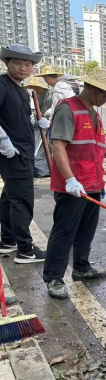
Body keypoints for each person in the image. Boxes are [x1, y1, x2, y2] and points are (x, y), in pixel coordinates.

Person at [42, 68, 106, 299]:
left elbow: (93, 151)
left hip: (92, 185)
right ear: (91, 88)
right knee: (64, 232)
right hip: (73, 186)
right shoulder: (68, 109)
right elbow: (57, 146)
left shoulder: (94, 113)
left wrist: (99, 183)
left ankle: (81, 268)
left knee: (86, 231)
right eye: (105, 94)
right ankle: (54, 278)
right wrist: (70, 180)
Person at [0, 44, 49, 263]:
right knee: (21, 200)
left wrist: (36, 123)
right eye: (17, 63)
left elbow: (13, 119)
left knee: (10, 198)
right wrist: (4, 142)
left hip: (22, 151)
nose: (23, 68)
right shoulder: (2, 85)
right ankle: (25, 250)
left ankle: (8, 240)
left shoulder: (18, 87)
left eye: (27, 64)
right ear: (7, 63)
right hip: (14, 154)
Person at [25, 77, 52, 178]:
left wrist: (45, 118)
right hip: (35, 127)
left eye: (37, 88)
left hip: (43, 126)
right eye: (33, 88)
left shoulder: (48, 96)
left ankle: (41, 170)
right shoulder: (30, 97)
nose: (36, 90)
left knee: (41, 151)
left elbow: (49, 110)